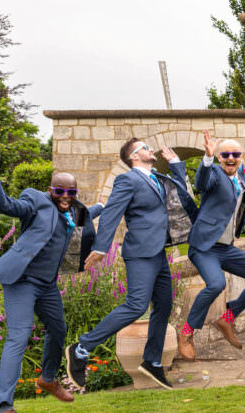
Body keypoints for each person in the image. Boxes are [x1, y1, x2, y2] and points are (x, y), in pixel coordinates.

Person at [0, 140, 102, 413]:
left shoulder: (73, 210)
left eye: (71, 193)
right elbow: (5, 205)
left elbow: (89, 213)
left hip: (47, 285)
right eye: (59, 192)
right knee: (19, 336)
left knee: (59, 329)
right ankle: (4, 410)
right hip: (21, 281)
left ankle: (48, 378)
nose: (65, 197)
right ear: (50, 190)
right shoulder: (36, 201)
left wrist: (111, 202)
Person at [66, 138, 198, 391]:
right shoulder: (127, 180)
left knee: (164, 304)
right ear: (134, 157)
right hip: (139, 252)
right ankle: (81, 349)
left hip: (158, 252)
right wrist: (101, 247)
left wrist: (177, 165)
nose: (151, 149)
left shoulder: (156, 177)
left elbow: (182, 193)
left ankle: (151, 361)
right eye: (145, 147)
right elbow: (113, 212)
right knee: (137, 305)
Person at [177, 131, 245, 359]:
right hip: (204, 247)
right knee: (216, 284)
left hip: (226, 248)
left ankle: (227, 318)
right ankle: (187, 332)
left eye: (235, 154)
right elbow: (201, 183)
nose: (230, 157)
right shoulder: (215, 173)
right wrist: (206, 159)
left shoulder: (243, 177)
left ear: (241, 157)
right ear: (219, 157)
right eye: (225, 154)